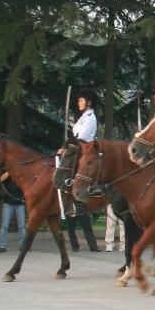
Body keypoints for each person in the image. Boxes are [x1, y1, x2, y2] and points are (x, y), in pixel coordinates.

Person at [65, 89, 100, 252]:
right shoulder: (82, 118)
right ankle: (74, 244)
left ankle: (91, 244)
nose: (79, 103)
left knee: (80, 209)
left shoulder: (90, 118)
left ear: (89, 102)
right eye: (78, 101)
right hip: (75, 149)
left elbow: (81, 136)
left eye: (81, 100)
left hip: (84, 150)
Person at [0, 172, 27, 252]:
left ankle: (23, 245)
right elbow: (0, 179)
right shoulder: (8, 174)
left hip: (20, 203)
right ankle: (2, 246)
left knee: (22, 226)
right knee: (4, 226)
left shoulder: (21, 175)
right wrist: (9, 171)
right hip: (8, 203)